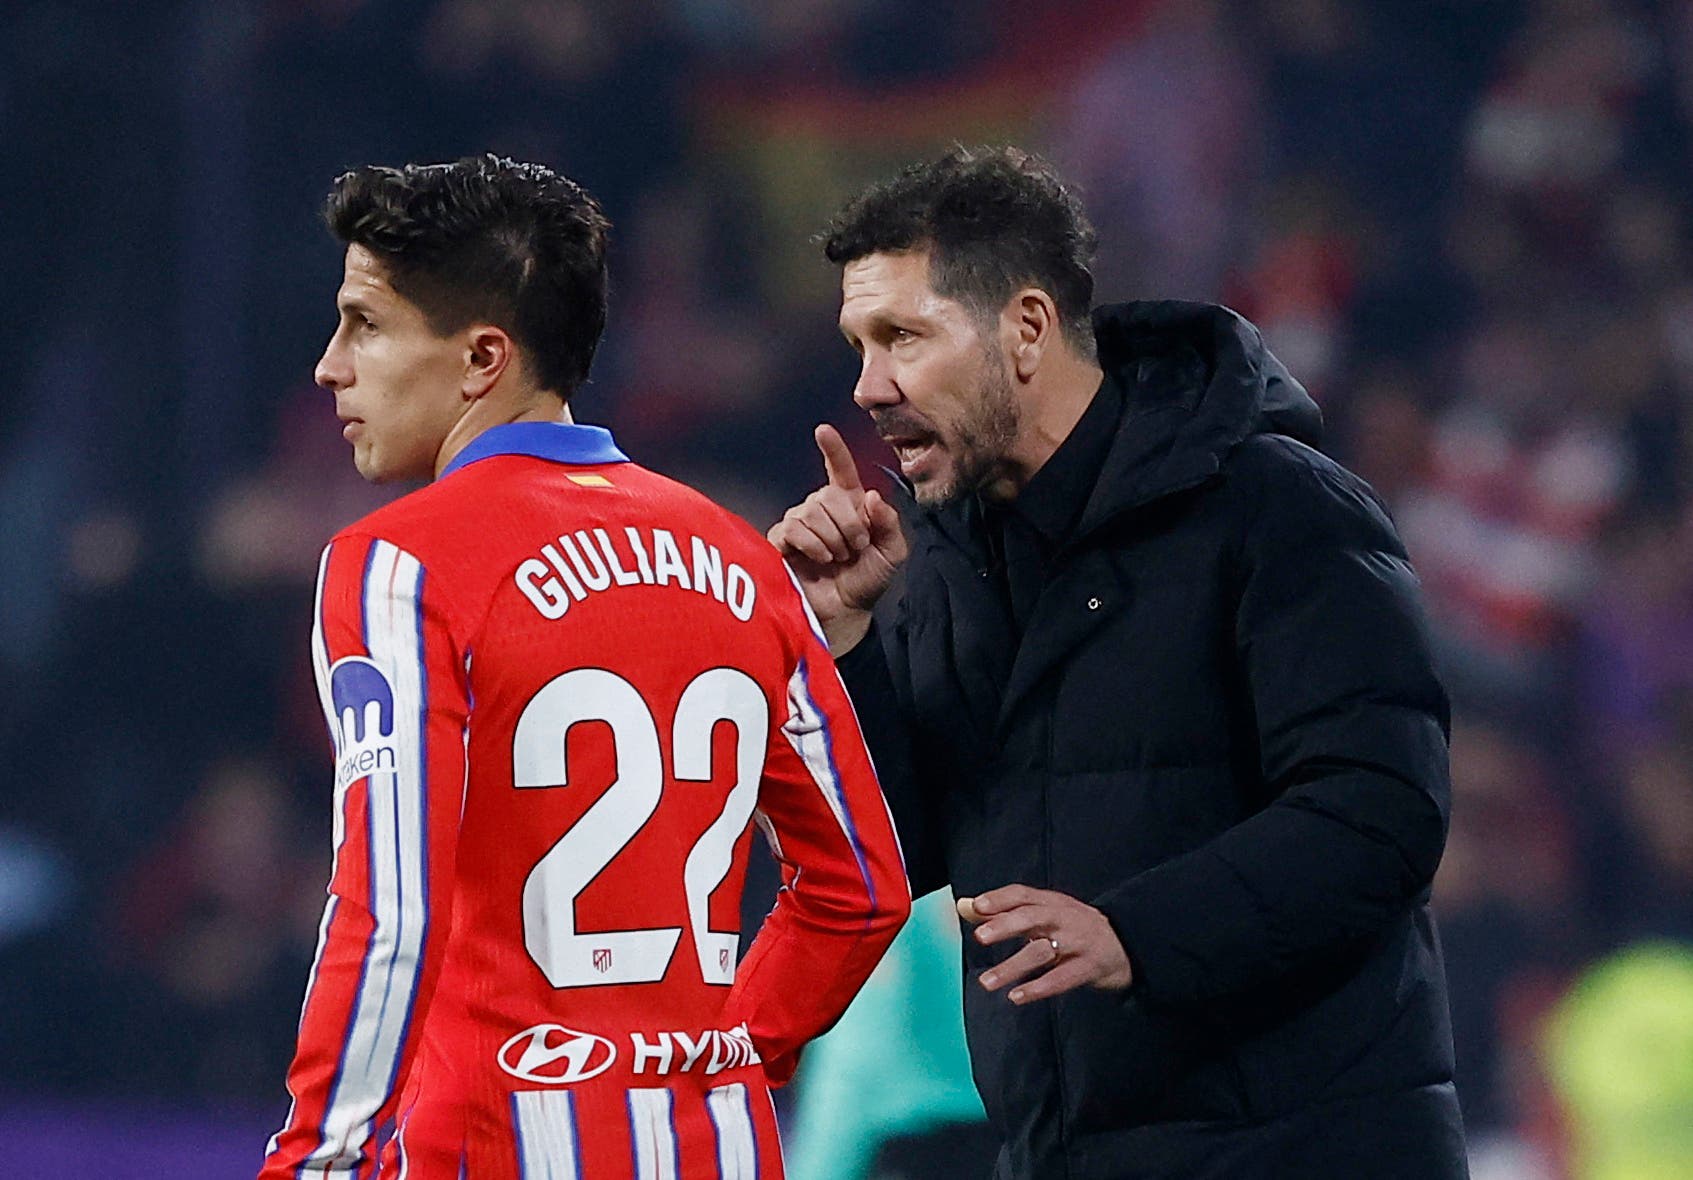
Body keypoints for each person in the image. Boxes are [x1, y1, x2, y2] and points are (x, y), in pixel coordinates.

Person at [769, 145, 1468, 1178]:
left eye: (902, 337)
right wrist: (844, 645)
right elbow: (893, 850)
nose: (869, 387)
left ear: (1025, 328)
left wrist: (1137, 930)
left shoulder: (1275, 508)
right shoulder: (954, 560)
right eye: (858, 344)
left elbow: (1378, 810)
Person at [258, 155, 910, 1180]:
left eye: (365, 324)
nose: (330, 366)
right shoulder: (743, 558)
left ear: (483, 357)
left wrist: (317, 1163)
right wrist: (721, 1052)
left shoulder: (399, 564)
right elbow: (862, 887)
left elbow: (392, 909)